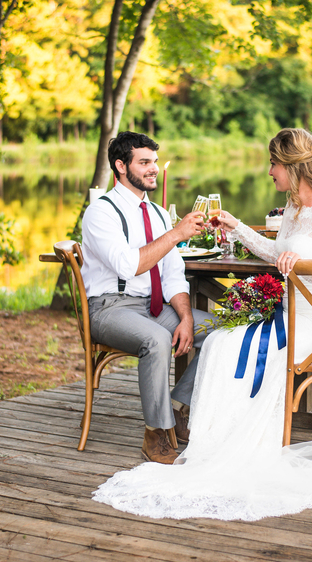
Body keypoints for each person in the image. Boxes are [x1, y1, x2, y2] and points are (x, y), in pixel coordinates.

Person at [93, 129, 312, 521]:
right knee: (224, 340)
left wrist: (302, 266)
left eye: (274, 164)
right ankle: (205, 433)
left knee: (234, 344)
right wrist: (237, 227)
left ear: (293, 167)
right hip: (291, 314)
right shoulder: (294, 210)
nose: (269, 171)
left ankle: (228, 439)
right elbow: (277, 253)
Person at [80, 131, 214, 465]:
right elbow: (129, 265)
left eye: (154, 161)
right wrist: (177, 233)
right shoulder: (101, 213)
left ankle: (177, 407)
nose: (153, 169)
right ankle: (157, 432)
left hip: (153, 307)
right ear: (121, 166)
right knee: (156, 338)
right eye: (144, 162)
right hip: (110, 308)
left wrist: (184, 317)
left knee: (221, 329)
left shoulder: (155, 212)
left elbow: (172, 274)